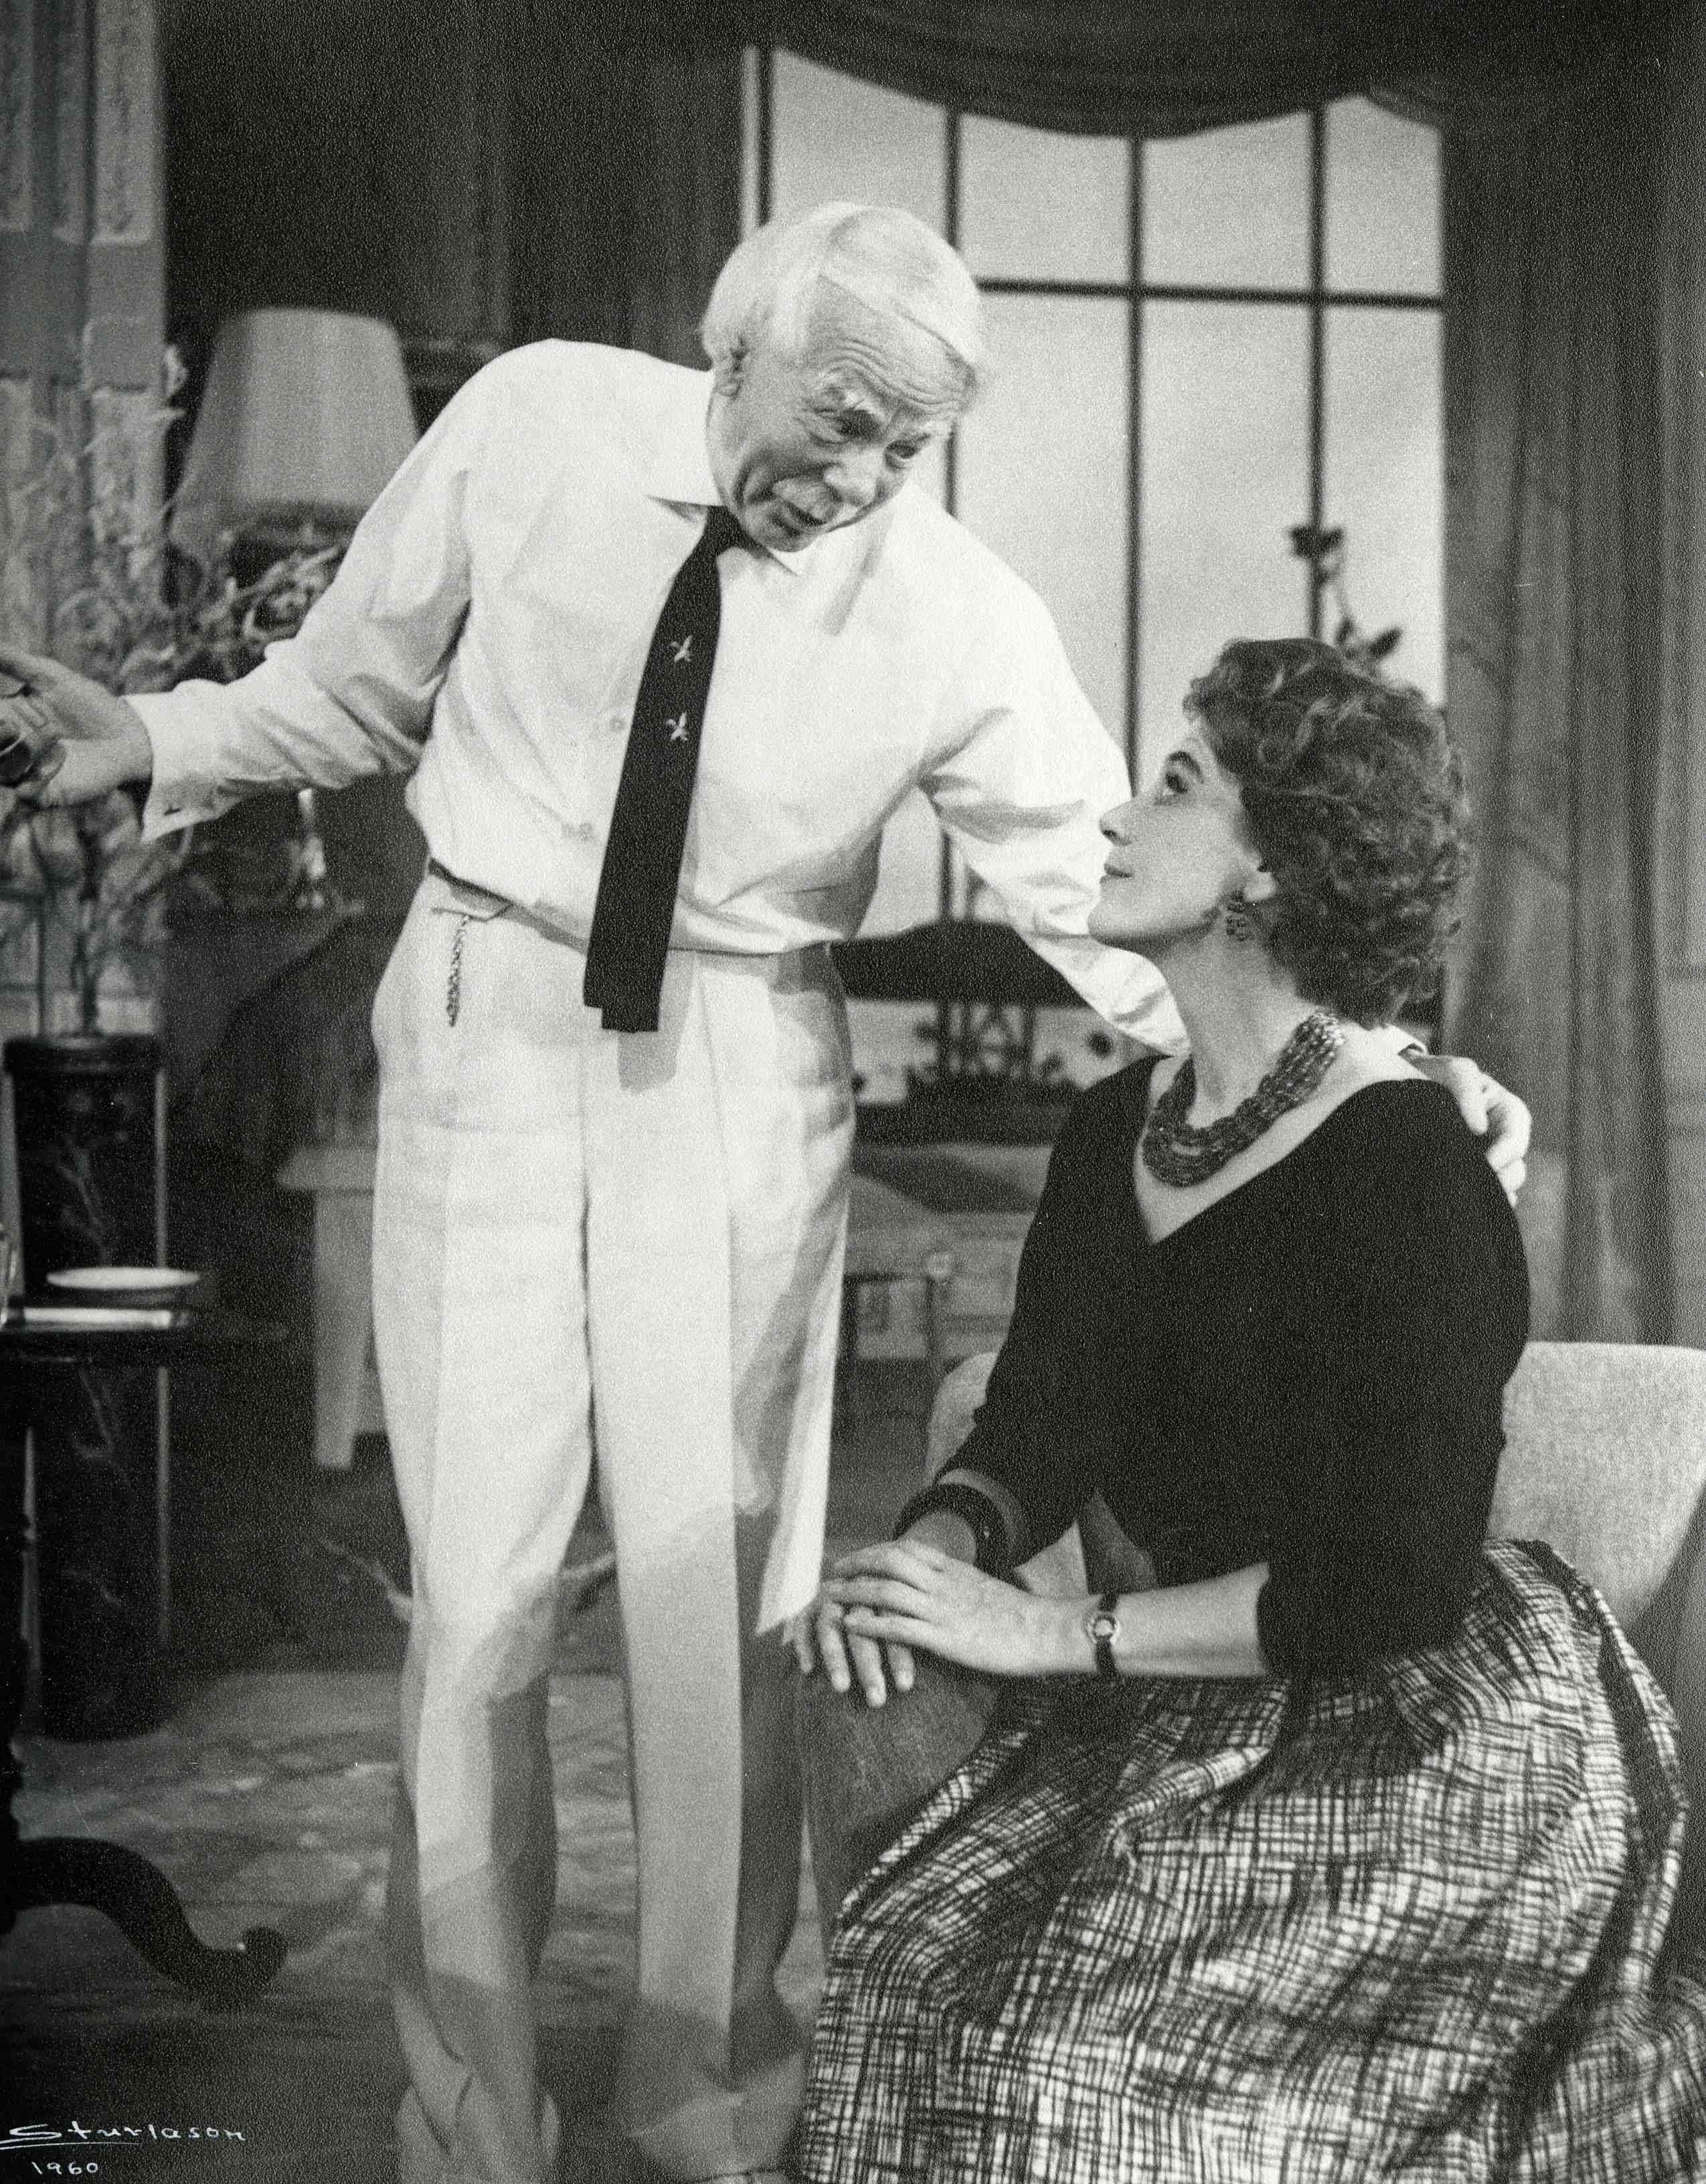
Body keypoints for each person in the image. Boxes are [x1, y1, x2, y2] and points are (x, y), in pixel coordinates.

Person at [0, 213, 1529, 2184]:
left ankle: (710, 2112)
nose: (865, 475)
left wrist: (1380, 1076)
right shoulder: (532, 424)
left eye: (910, 443)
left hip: (736, 1052)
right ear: (737, 348)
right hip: (484, 1004)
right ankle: (468, 2125)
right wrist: (157, 735)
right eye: (844, 418)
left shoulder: (952, 609)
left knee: (719, 1607)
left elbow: (1128, 903)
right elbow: (347, 691)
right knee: (472, 1609)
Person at [792, 638, 1706, 2184]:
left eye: (1174, 784)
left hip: (1433, 1732)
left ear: (1270, 865)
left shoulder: (1413, 1166)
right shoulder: (1114, 1131)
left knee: (1084, 2080)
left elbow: (1392, 1584)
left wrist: (1052, 1635)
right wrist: (932, 1559)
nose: (1114, 817)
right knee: (925, 1999)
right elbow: (1038, 1420)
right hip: (1195, 1704)